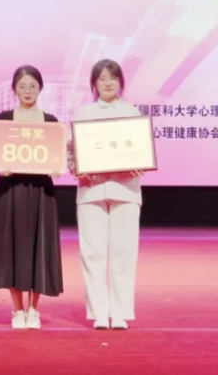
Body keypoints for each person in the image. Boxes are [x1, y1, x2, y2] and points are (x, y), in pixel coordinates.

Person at [0, 65, 64, 329]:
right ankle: (17, 309)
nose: (27, 91)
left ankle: (34, 309)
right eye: (22, 86)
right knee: (13, 248)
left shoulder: (51, 122)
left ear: (40, 88)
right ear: (14, 89)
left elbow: (58, 156)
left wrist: (56, 166)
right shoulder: (4, 119)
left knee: (39, 247)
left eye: (32, 86)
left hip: (41, 191)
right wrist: (1, 164)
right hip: (11, 190)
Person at [69, 59, 146, 330]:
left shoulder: (132, 113)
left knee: (124, 253)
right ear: (94, 84)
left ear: (121, 82)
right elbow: (72, 152)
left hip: (125, 190)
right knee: (93, 253)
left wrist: (140, 163)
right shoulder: (84, 114)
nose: (108, 83)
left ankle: (120, 312)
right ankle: (99, 312)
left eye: (113, 78)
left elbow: (141, 150)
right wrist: (78, 169)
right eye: (102, 78)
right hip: (91, 190)